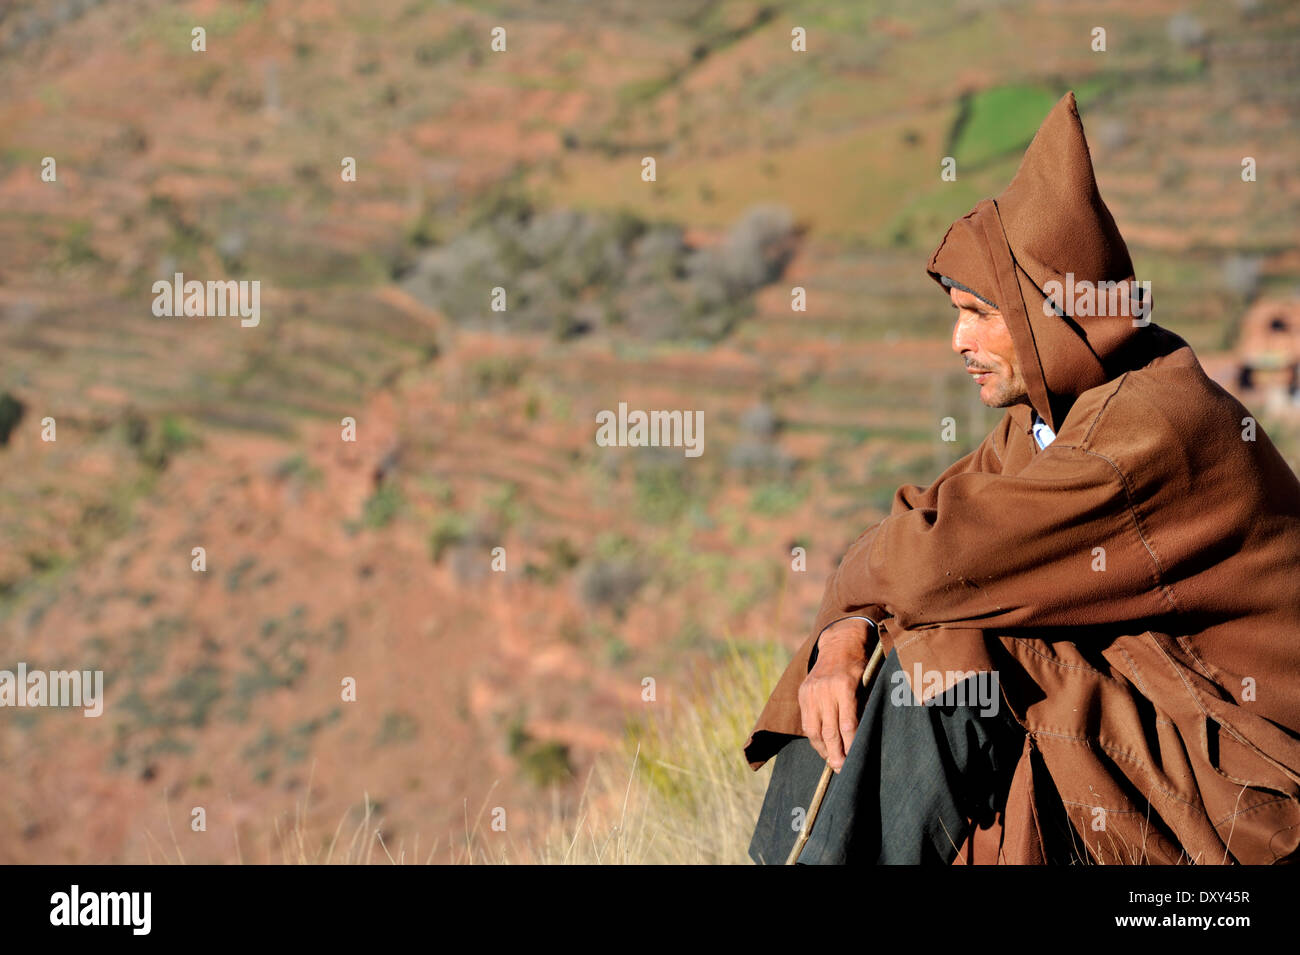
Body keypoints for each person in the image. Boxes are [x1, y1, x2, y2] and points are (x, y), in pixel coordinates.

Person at [744, 91, 1300, 865]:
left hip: (1241, 786)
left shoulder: (1150, 427)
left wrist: (870, 609)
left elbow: (939, 558)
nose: (957, 340)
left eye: (978, 312)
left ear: (1048, 314)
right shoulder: (1053, 414)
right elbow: (923, 523)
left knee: (943, 662)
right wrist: (842, 635)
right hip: (1154, 731)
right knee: (910, 651)